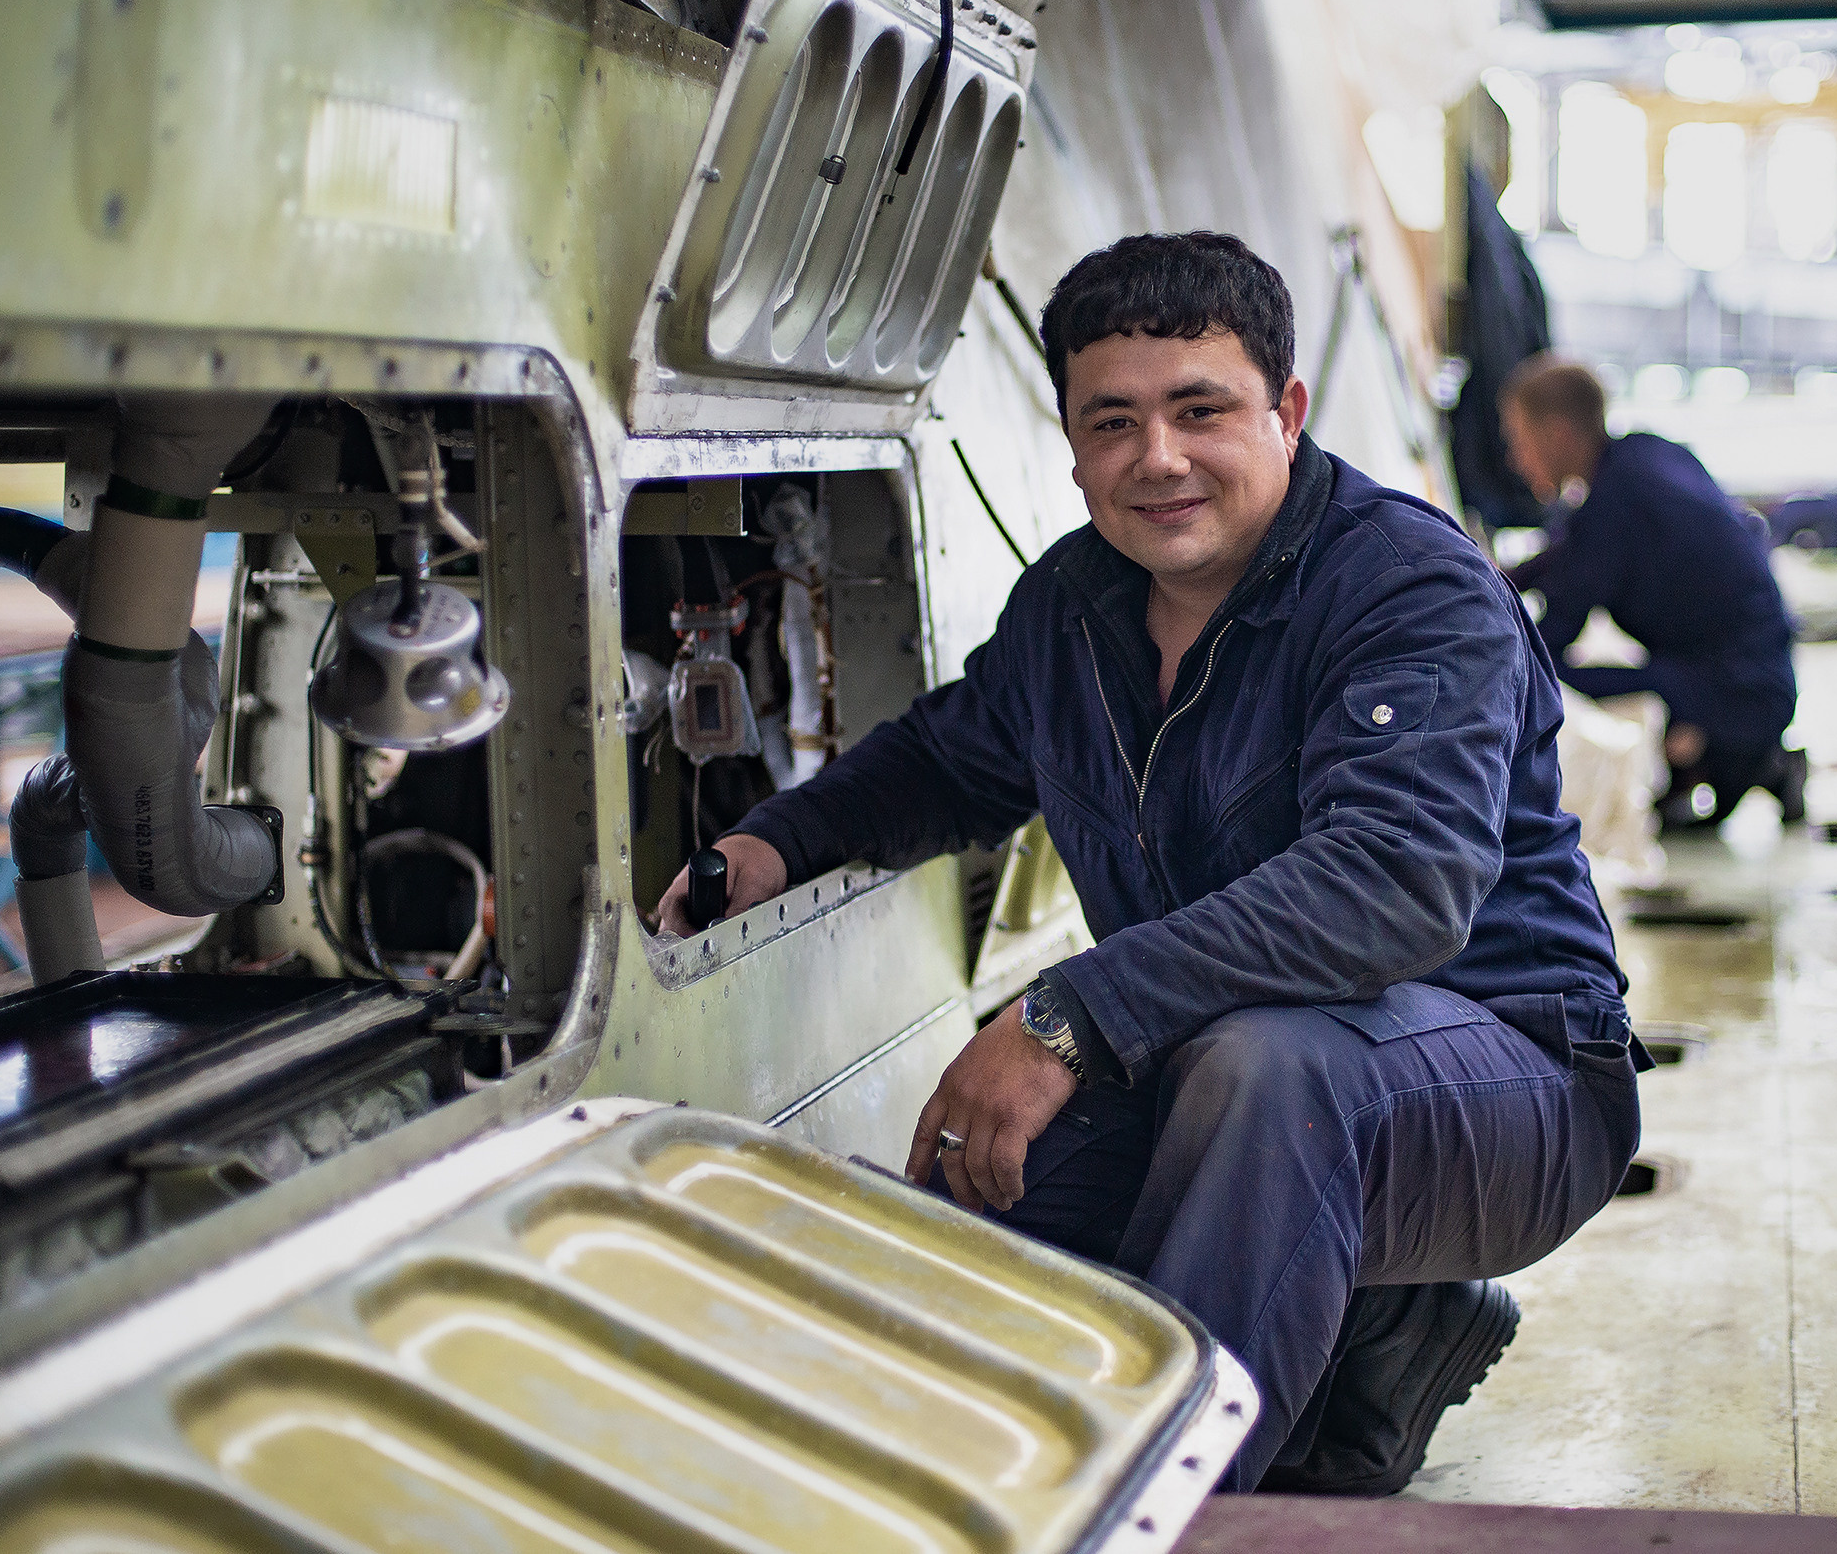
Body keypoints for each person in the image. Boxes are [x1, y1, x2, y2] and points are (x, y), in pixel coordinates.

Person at [658, 233, 1644, 1495]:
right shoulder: (1073, 602)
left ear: (1284, 411)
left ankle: (1172, 1506)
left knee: (1271, 1069)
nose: (1157, 458)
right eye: (1112, 421)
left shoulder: (1408, 589)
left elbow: (1395, 884)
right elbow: (950, 759)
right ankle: (1376, 1329)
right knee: (973, 1205)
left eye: (1200, 410)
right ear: (1071, 446)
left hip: (1516, 1084)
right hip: (1213, 1070)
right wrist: (766, 843)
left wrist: (1071, 1013)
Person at [1500, 357, 1804, 829]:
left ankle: (1724, 755)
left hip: (1739, 690)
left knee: (1540, 673)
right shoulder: (1642, 459)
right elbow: (1567, 555)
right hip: (1764, 668)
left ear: (1557, 433)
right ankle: (1730, 760)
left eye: (1518, 439)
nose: (1515, 460)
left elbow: (1549, 631)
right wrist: (1495, 576)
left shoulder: (1617, 505)